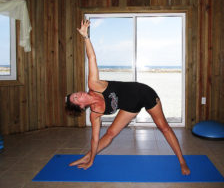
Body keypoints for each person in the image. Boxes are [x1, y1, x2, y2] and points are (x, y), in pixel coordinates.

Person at [65, 19, 191, 175]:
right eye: (76, 99)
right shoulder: (95, 115)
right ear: (81, 106)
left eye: (76, 94)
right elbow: (95, 139)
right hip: (129, 107)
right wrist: (90, 159)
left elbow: (92, 59)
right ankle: (86, 157)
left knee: (163, 127)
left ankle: (182, 161)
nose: (79, 94)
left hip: (144, 93)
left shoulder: (94, 85)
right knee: (110, 134)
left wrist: (85, 37)